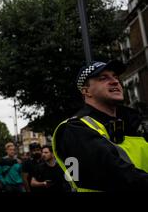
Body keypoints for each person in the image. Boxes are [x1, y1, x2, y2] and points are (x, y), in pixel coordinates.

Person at [53, 60, 148, 191]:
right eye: (103, 78)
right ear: (86, 91)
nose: (115, 81)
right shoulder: (74, 129)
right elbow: (116, 173)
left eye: (115, 77)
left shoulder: (134, 123)